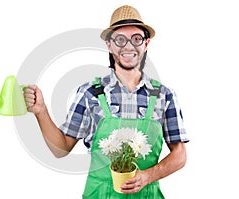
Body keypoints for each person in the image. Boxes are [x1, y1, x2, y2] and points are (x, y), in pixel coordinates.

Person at [23, 5, 189, 198]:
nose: (128, 46)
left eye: (136, 38)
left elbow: (180, 155)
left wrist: (147, 176)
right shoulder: (89, 93)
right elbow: (60, 150)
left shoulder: (164, 96)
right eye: (120, 39)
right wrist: (41, 110)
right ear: (109, 44)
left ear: (146, 43)